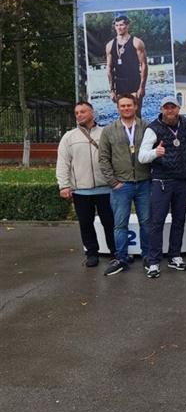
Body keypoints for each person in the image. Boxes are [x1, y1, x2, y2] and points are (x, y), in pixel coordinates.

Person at [138, 95, 186, 278]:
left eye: (173, 107)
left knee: (179, 220)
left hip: (182, 182)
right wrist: (155, 152)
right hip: (162, 182)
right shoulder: (153, 129)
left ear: (178, 108)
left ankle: (174, 256)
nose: (170, 110)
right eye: (166, 107)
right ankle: (153, 261)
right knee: (157, 222)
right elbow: (142, 157)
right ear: (161, 109)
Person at [56, 101, 116, 267]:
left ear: (92, 113)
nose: (79, 115)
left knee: (110, 223)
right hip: (81, 191)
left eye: (82, 111)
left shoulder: (105, 134)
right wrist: (64, 185)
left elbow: (116, 159)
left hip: (106, 190)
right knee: (86, 224)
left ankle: (115, 253)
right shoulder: (69, 137)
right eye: (76, 113)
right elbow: (63, 163)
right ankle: (92, 254)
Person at [98, 94, 150, 275]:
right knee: (120, 225)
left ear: (136, 106)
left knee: (146, 223)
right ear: (118, 108)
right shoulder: (109, 130)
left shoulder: (147, 127)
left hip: (144, 183)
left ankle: (148, 257)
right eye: (123, 106)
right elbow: (103, 158)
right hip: (121, 185)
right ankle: (121, 259)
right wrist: (113, 182)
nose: (126, 108)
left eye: (129, 105)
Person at [106, 14, 147, 117]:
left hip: (134, 82)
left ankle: (139, 128)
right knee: (124, 114)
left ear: (127, 26)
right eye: (117, 25)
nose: (119, 28)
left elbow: (144, 65)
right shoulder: (110, 45)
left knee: (136, 113)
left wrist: (142, 87)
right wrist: (112, 90)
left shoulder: (137, 42)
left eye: (121, 25)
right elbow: (109, 68)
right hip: (120, 83)